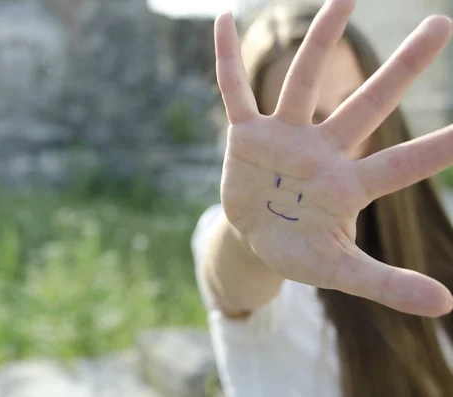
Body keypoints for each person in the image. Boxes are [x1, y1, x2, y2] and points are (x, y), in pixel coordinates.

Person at [191, 1, 453, 396]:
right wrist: (249, 242)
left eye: (351, 107)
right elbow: (233, 279)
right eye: (308, 126)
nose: (334, 151)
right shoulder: (248, 240)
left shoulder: (441, 219)